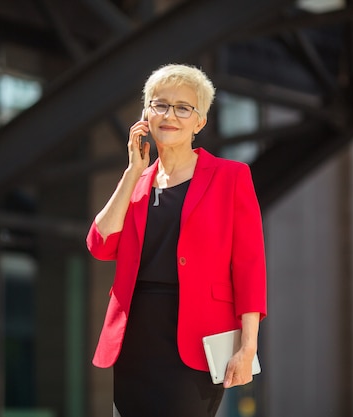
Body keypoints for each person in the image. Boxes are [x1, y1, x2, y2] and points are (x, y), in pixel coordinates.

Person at [86, 63, 267, 417]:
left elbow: (249, 266)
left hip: (198, 340)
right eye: (160, 104)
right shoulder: (137, 182)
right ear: (146, 115)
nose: (170, 115)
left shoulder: (231, 176)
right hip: (136, 339)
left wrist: (247, 347)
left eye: (183, 107)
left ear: (199, 122)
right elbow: (100, 244)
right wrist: (132, 171)